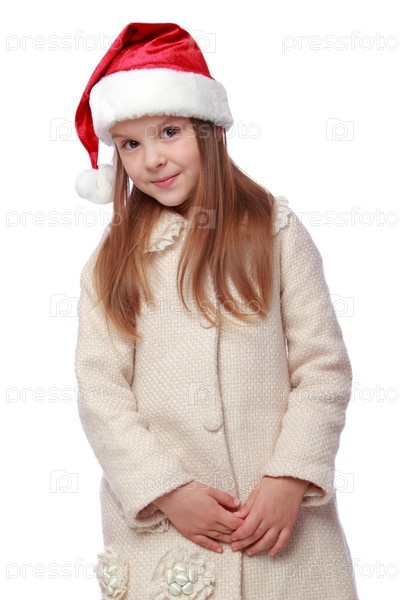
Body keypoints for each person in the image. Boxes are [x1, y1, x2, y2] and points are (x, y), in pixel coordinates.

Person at [74, 22, 359, 600]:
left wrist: (290, 476)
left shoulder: (276, 233)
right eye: (129, 144)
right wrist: (166, 490)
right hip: (167, 537)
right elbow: (100, 391)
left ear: (209, 130)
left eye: (169, 131)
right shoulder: (111, 263)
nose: (153, 159)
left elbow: (322, 367)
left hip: (281, 533)